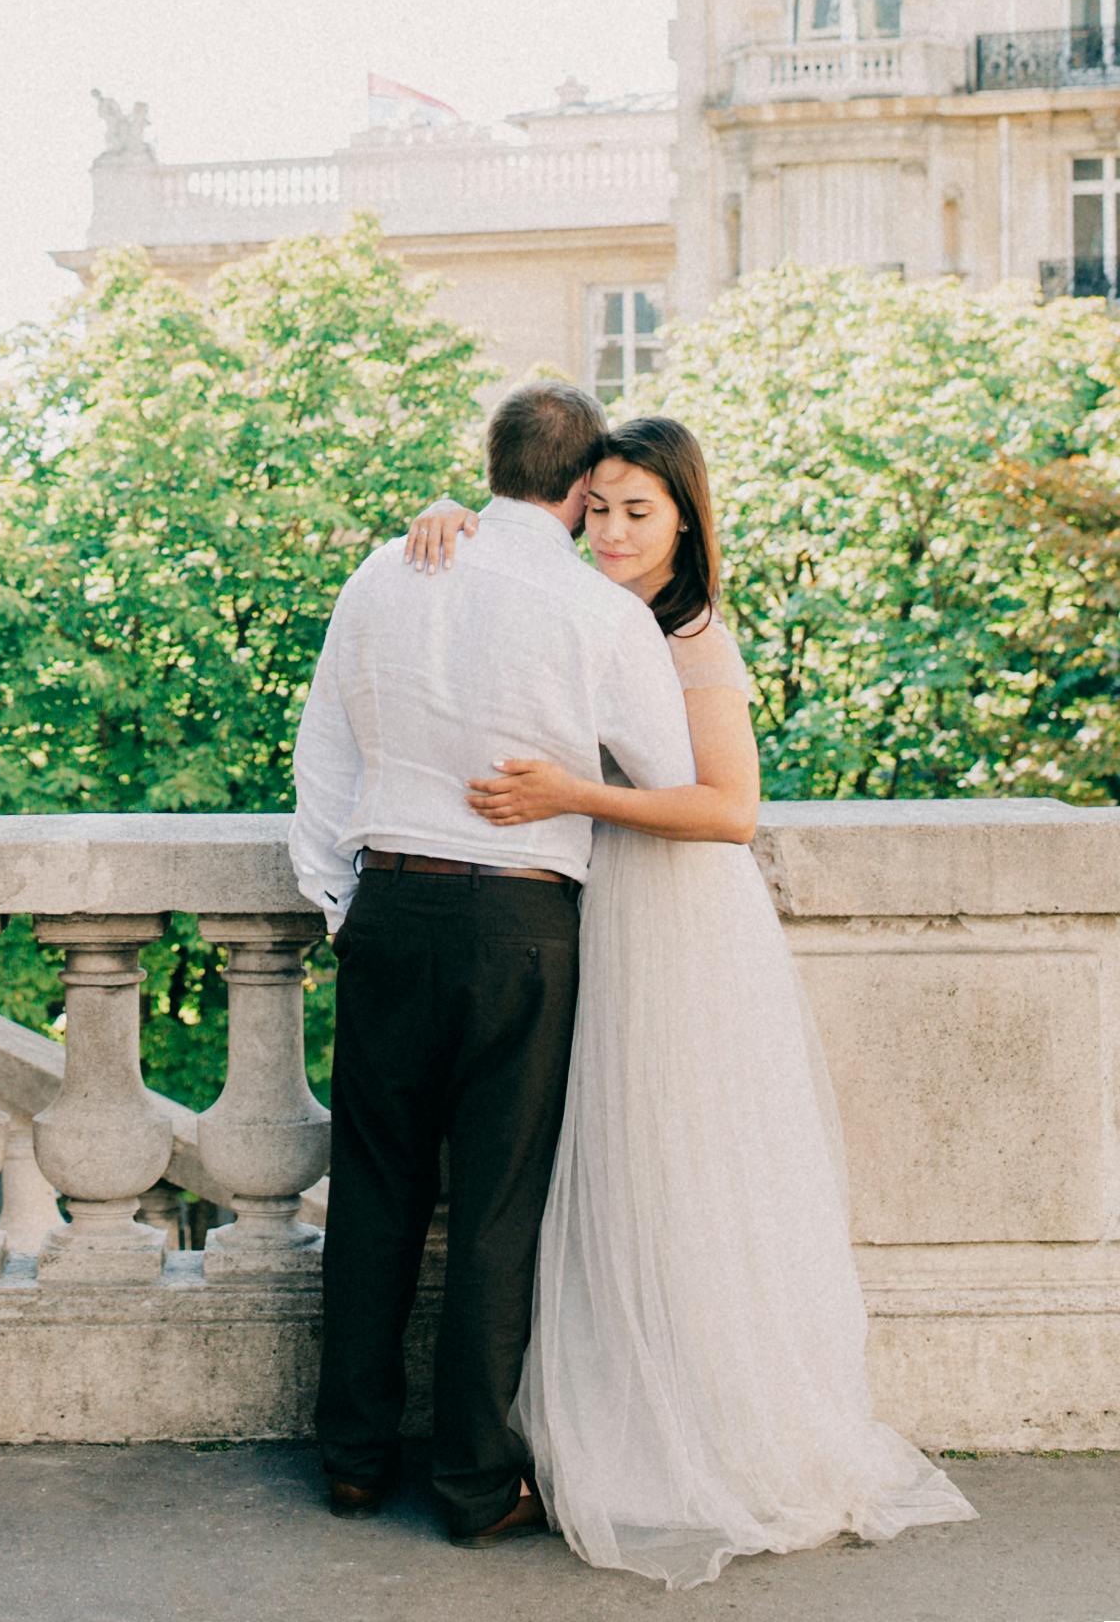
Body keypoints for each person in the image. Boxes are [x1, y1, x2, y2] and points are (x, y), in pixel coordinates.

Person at [402, 414, 976, 1591]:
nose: (610, 531)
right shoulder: (572, 600)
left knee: (680, 1168)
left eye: (637, 513)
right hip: (593, 917)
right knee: (596, 1173)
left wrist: (570, 792)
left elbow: (728, 809)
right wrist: (448, 519)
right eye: (596, 507)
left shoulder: (689, 630)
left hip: (675, 924)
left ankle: (700, 1437)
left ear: (682, 521)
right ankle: (611, 1415)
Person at [290, 377, 698, 1545]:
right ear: (580, 492)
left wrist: (337, 903)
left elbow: (324, 751)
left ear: (487, 466)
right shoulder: (599, 614)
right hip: (519, 925)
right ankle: (475, 1484)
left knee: (371, 1190)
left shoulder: (385, 571)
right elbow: (664, 774)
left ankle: (354, 1459)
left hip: (388, 906)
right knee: (496, 1207)